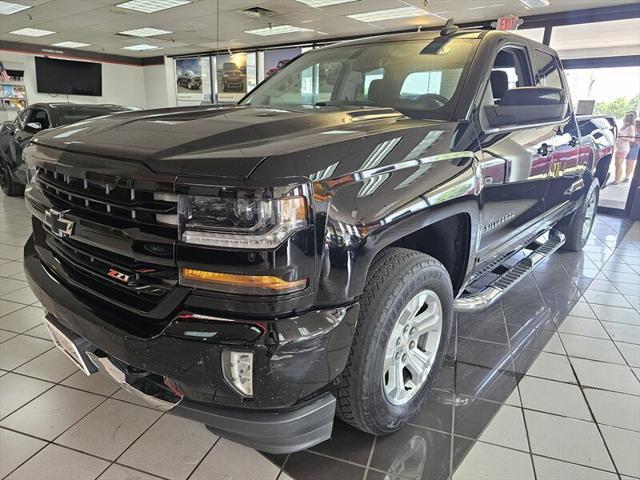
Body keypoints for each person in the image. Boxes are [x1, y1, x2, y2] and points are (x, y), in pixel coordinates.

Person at [613, 111, 637, 184]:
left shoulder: (631, 127)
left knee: (619, 164)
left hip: (624, 148)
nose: (624, 118)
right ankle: (617, 179)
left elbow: (632, 138)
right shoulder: (625, 126)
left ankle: (617, 180)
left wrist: (622, 138)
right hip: (619, 147)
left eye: (625, 117)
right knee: (617, 164)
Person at [624, 118, 640, 183]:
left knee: (630, 162)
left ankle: (627, 177)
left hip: (635, 146)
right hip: (628, 145)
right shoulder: (632, 126)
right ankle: (626, 176)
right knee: (627, 162)